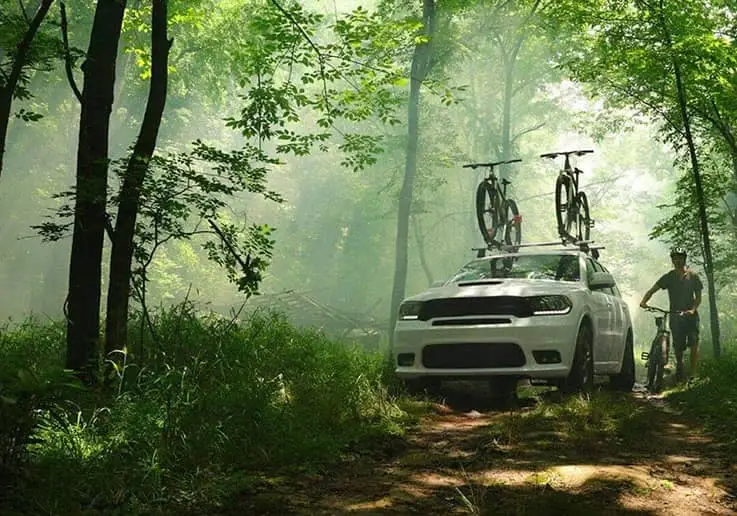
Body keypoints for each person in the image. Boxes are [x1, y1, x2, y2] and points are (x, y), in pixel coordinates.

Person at [640, 246, 702, 382]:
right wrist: (644, 301)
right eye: (675, 259)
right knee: (678, 345)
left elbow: (698, 297)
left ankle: (692, 374)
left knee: (694, 343)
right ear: (672, 261)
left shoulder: (693, 276)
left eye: (680, 258)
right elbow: (652, 290)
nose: (677, 261)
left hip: (690, 316)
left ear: (684, 260)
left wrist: (692, 309)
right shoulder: (669, 277)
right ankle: (679, 367)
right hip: (675, 315)